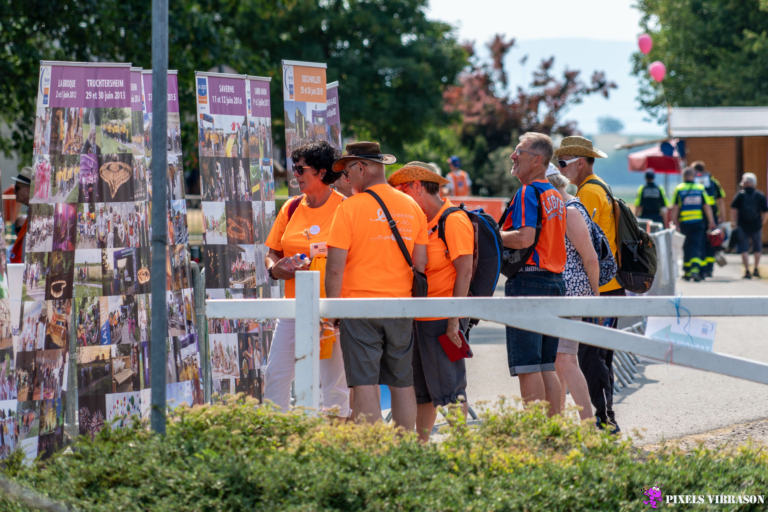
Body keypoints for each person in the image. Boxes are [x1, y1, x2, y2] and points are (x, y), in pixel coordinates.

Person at [326, 141, 428, 431]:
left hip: (358, 308)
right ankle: (404, 450)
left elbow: (335, 267)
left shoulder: (350, 208)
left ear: (361, 167)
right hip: (401, 305)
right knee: (401, 382)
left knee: (364, 384)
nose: (346, 180)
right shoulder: (412, 206)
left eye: (347, 172)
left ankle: (372, 456)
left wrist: (331, 309)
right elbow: (420, 264)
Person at [387, 162, 474, 442]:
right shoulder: (425, 221)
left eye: (402, 190)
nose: (399, 197)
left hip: (441, 319)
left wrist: (454, 319)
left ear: (417, 186)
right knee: (422, 394)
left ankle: (466, 454)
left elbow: (465, 271)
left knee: (450, 392)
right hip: (420, 318)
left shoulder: (453, 219)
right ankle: (420, 449)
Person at [263, 141, 350, 418]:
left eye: (301, 169)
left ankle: (336, 447)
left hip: (331, 312)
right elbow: (272, 252)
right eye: (294, 168)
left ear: (322, 172)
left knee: (335, 387)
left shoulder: (346, 209)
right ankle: (277, 443)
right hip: (293, 309)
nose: (295, 175)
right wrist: (276, 269)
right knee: (276, 379)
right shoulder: (290, 207)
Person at [556, 135, 622, 433]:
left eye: (562, 163)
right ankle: (603, 417)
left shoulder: (588, 194)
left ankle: (604, 419)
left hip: (601, 288)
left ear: (579, 163)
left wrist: (594, 298)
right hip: (605, 287)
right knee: (595, 357)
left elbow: (590, 251)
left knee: (592, 358)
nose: (559, 170)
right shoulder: (595, 187)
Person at [499, 133, 565, 417]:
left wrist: (493, 235)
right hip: (554, 281)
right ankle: (552, 430)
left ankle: (536, 434)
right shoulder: (554, 194)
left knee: (527, 366)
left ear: (537, 160)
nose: (513, 156)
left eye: (519, 151)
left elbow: (525, 238)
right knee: (546, 364)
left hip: (529, 281)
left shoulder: (528, 192)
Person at [545, 165, 598, 422]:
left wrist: (596, 299)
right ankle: (560, 420)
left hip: (571, 294)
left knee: (566, 360)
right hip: (565, 293)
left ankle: (588, 423)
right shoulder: (569, 207)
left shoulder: (570, 212)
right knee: (559, 361)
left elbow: (591, 259)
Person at [670, 167, 716, 282]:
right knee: (696, 246)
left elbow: (675, 207)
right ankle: (695, 270)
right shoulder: (700, 188)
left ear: (684, 176)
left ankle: (686, 271)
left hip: (685, 223)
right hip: (698, 223)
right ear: (693, 176)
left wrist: (674, 222)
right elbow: (706, 206)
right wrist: (711, 221)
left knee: (686, 246)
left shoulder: (679, 189)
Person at [730, 173, 768, 279]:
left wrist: (735, 223)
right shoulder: (760, 195)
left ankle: (747, 270)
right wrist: (761, 223)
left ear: (746, 183)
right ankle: (756, 268)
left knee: (744, 248)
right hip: (756, 225)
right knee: (757, 248)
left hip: (742, 225)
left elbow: (733, 209)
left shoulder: (740, 195)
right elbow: (766, 212)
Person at [693, 161, 726, 277]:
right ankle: (709, 270)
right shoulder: (714, 182)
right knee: (712, 242)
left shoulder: (694, 182)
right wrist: (722, 216)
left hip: (699, 216)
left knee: (700, 242)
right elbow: (721, 200)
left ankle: (701, 270)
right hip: (713, 216)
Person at [10, 167, 32, 263]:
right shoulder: (31, 214)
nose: (14, 191)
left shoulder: (41, 215)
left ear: (30, 188)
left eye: (17, 188)